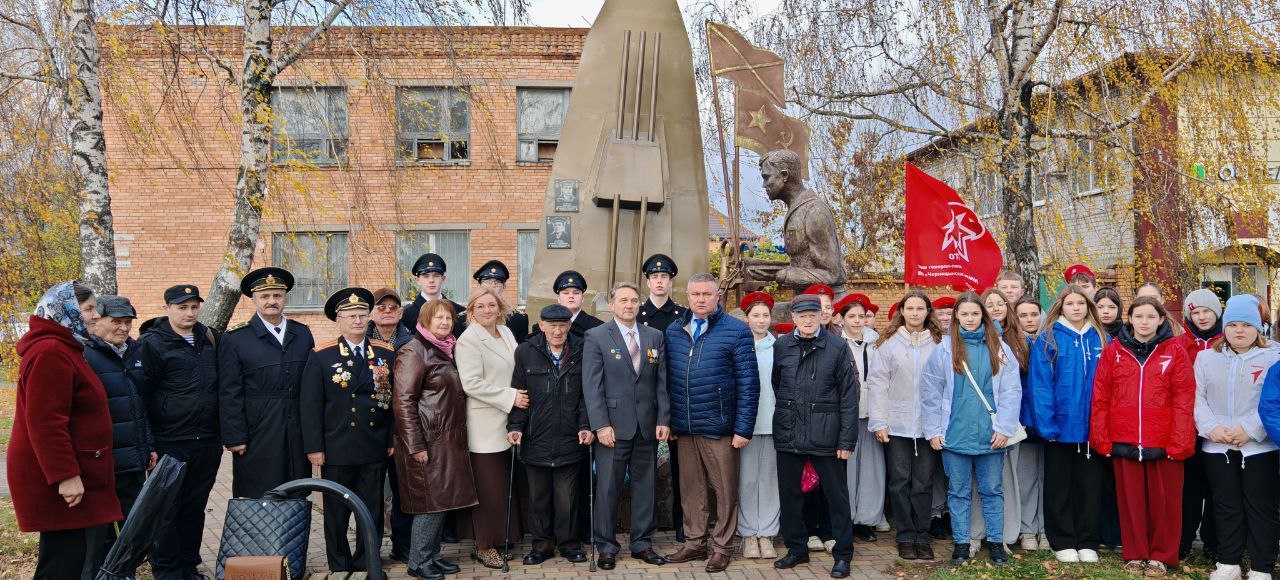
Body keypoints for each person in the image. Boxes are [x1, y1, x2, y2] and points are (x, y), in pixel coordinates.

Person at [9, 282, 121, 579]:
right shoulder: (51, 351)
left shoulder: (66, 347)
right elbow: (46, 422)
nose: (95, 315)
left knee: (76, 559)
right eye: (88, 309)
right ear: (64, 310)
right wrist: (66, 476)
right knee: (63, 565)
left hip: (80, 473)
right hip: (66, 481)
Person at [1091, 296, 1195, 577]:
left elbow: (1184, 399)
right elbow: (1101, 396)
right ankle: (1135, 552)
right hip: (1125, 437)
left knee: (1165, 503)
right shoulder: (1114, 351)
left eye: (1151, 316)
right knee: (1131, 502)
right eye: (1139, 316)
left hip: (1163, 441)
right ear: (1130, 319)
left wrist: (1180, 442)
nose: (1144, 322)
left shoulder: (1174, 351)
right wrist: (1102, 438)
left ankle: (1161, 555)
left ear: (1161, 319)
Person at [663, 273, 759, 572]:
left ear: (718, 296)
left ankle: (722, 547)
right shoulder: (674, 330)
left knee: (724, 490)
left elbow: (749, 384)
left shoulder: (736, 331)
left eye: (707, 294)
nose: (701, 299)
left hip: (720, 427)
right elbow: (665, 381)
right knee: (691, 489)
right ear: (687, 296)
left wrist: (743, 428)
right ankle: (694, 542)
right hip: (685, 427)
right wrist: (669, 421)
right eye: (696, 294)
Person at [920, 293, 1021, 566]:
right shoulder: (945, 349)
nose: (970, 319)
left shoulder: (999, 348)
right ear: (956, 316)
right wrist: (934, 430)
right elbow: (931, 391)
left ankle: (996, 544)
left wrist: (1005, 428)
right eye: (964, 314)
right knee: (958, 492)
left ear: (983, 316)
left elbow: (1011, 391)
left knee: (992, 490)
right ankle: (962, 544)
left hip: (991, 435)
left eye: (975, 314)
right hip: (955, 433)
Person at [301, 288, 395, 572]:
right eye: (351, 316)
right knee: (336, 513)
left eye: (362, 315)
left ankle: (368, 561)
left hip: (373, 443)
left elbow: (391, 401)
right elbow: (310, 405)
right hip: (337, 446)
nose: (357, 321)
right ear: (338, 320)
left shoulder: (384, 353)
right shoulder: (322, 355)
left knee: (373, 509)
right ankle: (340, 564)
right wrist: (314, 448)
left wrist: (390, 438)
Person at [582, 282, 671, 570]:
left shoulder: (654, 336)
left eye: (633, 300)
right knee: (609, 488)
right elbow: (592, 386)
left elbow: (661, 382)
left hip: (646, 426)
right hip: (612, 428)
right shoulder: (596, 336)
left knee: (646, 487)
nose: (629, 305)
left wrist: (663, 419)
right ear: (612, 304)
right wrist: (600, 425)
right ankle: (606, 546)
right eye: (623, 300)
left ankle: (642, 543)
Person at [770, 294, 858, 579]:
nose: (807, 320)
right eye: (802, 316)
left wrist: (846, 440)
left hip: (826, 434)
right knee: (790, 495)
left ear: (822, 316)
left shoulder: (837, 346)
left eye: (812, 315)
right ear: (793, 318)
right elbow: (777, 384)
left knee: (836, 497)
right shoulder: (782, 346)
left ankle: (843, 554)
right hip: (789, 431)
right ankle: (797, 548)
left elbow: (849, 396)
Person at [137, 284, 222, 579]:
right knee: (167, 508)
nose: (189, 313)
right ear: (168, 309)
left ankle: (188, 566)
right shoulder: (152, 343)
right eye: (182, 307)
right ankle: (168, 570)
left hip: (207, 441)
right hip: (170, 441)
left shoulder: (209, 338)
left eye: (194, 307)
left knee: (194, 507)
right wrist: (149, 442)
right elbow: (142, 395)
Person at [393, 299, 478, 580]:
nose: (444, 322)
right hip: (427, 441)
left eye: (448, 318)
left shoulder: (445, 349)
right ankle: (418, 562)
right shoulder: (414, 351)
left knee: (441, 501)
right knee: (428, 505)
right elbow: (403, 402)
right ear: (425, 320)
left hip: (446, 440)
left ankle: (432, 555)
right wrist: (415, 445)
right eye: (438, 317)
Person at [1197, 295, 1280, 580]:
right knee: (1226, 506)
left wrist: (1251, 429)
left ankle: (1261, 567)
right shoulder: (1206, 358)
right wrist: (1212, 428)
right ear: (1224, 328)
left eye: (1246, 324)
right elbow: (1197, 398)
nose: (1239, 330)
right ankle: (1228, 562)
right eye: (1233, 325)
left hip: (1259, 446)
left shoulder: (1274, 357)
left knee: (1262, 507)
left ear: (1258, 327)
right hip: (1217, 446)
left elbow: (1274, 401)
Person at [507, 304, 591, 565]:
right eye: (552, 326)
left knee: (567, 498)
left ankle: (569, 544)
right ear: (541, 326)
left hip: (570, 437)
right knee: (539, 498)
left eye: (562, 326)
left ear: (569, 326)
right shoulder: (526, 351)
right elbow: (520, 393)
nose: (557, 331)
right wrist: (515, 427)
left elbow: (586, 395)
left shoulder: (582, 350)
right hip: (536, 437)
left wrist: (585, 425)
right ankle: (541, 545)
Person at [1028, 284, 1107, 563]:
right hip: (1060, 428)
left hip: (1092, 429)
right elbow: (1040, 385)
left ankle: (1087, 541)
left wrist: (1104, 425)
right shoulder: (1049, 338)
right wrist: (1047, 426)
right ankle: (1062, 541)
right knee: (1059, 487)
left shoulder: (1101, 338)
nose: (1076, 308)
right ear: (1061, 306)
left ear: (1088, 307)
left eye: (1081, 303)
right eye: (1070, 303)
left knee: (1090, 488)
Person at [219, 268, 314, 498]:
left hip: (297, 428)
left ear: (285, 298)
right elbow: (229, 391)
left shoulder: (302, 334)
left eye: (277, 295)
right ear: (254, 300)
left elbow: (311, 386)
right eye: (265, 296)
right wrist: (235, 436)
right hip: (258, 429)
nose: (272, 301)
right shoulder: (236, 339)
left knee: (297, 491)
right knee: (258, 493)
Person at [867, 290, 944, 560]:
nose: (915, 313)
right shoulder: (888, 344)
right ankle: (905, 535)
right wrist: (879, 422)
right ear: (901, 311)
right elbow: (877, 384)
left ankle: (922, 535)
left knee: (923, 482)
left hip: (928, 425)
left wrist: (941, 425)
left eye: (920, 308)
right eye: (910, 308)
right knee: (899, 481)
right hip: (896, 424)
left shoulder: (939, 343)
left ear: (927, 312)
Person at [453, 287, 525, 568]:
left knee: (502, 487)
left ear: (500, 308)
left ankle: (501, 538)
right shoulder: (468, 340)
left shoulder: (505, 332)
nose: (487, 310)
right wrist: (511, 397)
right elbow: (471, 384)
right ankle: (484, 546)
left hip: (509, 420)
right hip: (485, 424)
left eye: (491, 305)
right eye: (480, 306)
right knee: (487, 489)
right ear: (471, 311)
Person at [83, 297, 154, 523]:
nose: (124, 328)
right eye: (116, 321)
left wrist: (149, 446)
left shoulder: (136, 351)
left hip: (135, 461)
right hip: (104, 462)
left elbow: (142, 405)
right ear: (97, 320)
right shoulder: (84, 355)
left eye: (128, 322)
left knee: (132, 526)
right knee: (104, 531)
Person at [966, 289, 1026, 551]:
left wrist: (1007, 423)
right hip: (975, 421)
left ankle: (1002, 534)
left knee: (1003, 482)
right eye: (988, 304)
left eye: (1000, 303)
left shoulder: (1017, 339)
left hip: (1008, 422)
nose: (995, 308)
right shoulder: (968, 340)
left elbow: (1014, 388)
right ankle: (974, 533)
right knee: (977, 481)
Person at [635, 253, 688, 542]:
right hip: (645, 401)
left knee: (680, 467)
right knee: (644, 470)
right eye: (654, 277)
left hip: (675, 398)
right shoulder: (636, 315)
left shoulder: (683, 316)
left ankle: (682, 523)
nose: (659, 281)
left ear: (671, 282)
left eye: (664, 277)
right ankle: (645, 528)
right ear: (647, 282)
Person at [367, 286, 414, 560]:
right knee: (372, 491)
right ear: (371, 313)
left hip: (402, 427)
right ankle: (371, 549)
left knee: (403, 490)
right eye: (381, 307)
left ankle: (402, 545)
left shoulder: (411, 341)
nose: (387, 311)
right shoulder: (362, 341)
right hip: (370, 427)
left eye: (392, 307)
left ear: (400, 312)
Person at [1177, 287, 1224, 561]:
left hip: (1219, 427)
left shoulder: (1227, 342)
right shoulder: (1179, 344)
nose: (1202, 317)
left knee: (1218, 488)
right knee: (1190, 489)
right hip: (1189, 428)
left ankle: (1213, 541)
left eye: (1208, 311)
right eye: (1197, 313)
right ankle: (1183, 539)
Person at [837, 294, 886, 543]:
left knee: (871, 469)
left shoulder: (877, 343)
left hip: (873, 413)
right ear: (841, 318)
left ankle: (866, 520)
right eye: (852, 316)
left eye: (861, 316)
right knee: (847, 468)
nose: (857, 321)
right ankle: (846, 516)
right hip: (846, 415)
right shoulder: (836, 343)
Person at [737, 292, 780, 560]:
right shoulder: (739, 346)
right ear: (747, 318)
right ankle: (748, 533)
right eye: (756, 315)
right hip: (747, 425)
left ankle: (767, 532)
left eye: (765, 315)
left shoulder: (780, 347)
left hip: (774, 423)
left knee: (770, 480)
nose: (761, 320)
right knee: (748, 480)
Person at [1011, 297, 1048, 552]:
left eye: (1033, 314)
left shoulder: (1050, 341)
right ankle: (1027, 529)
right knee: (1026, 479)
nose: (1029, 320)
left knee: (1047, 478)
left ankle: (1045, 529)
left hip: (1047, 420)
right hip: (1023, 420)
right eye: (1023, 315)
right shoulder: (1012, 344)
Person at [401, 253, 466, 338]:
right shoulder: (406, 315)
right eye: (426, 276)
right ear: (417, 280)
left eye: (436, 276)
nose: (431, 280)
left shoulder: (459, 312)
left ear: (443, 279)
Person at [473, 259, 530, 343]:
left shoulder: (518, 319)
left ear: (504, 286)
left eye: (497, 282)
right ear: (479, 286)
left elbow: (521, 349)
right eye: (488, 281)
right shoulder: (464, 319)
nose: (493, 285)